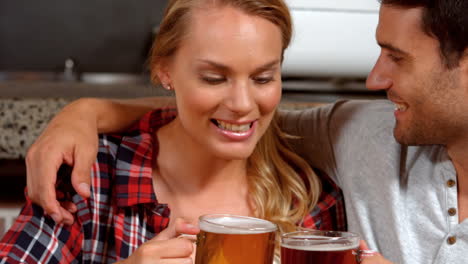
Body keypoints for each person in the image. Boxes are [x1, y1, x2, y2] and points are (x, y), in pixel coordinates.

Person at [16, 0, 468, 263]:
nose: (243, 104)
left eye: (264, 77)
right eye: (214, 77)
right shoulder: (87, 178)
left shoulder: (306, 202)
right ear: (163, 70)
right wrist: (85, 111)